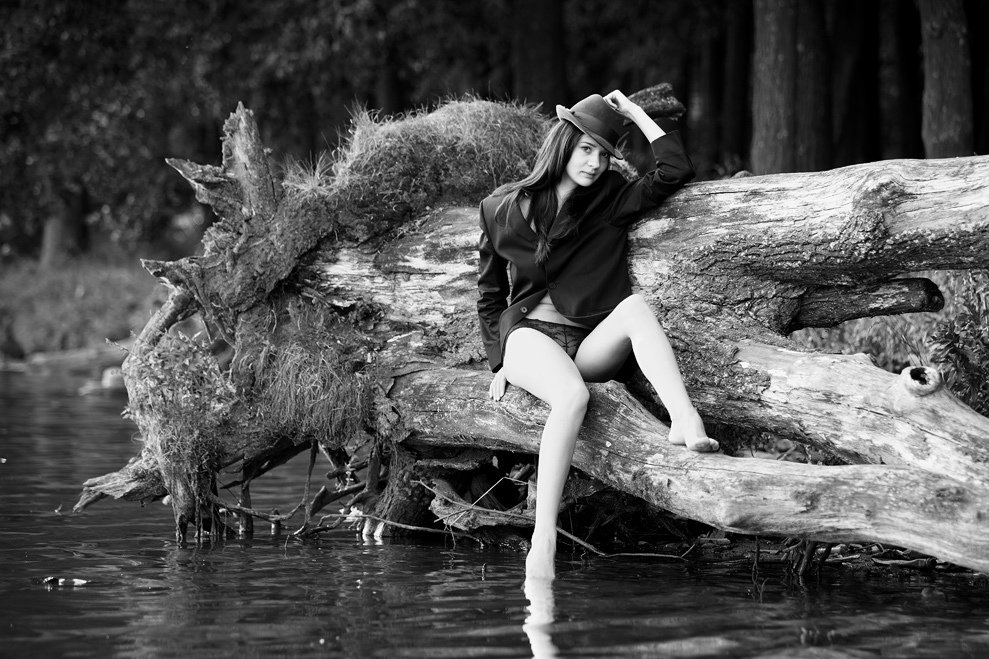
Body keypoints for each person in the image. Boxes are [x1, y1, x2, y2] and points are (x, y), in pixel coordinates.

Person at [476, 90, 719, 580]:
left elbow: (675, 169)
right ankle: (543, 537)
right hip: (529, 335)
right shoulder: (500, 208)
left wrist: (635, 113)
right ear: (563, 143)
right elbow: (489, 293)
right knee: (572, 397)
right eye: (586, 149)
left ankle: (684, 419)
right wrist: (500, 362)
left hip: (587, 343)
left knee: (635, 308)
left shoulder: (609, 199)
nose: (594, 163)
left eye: (604, 154)